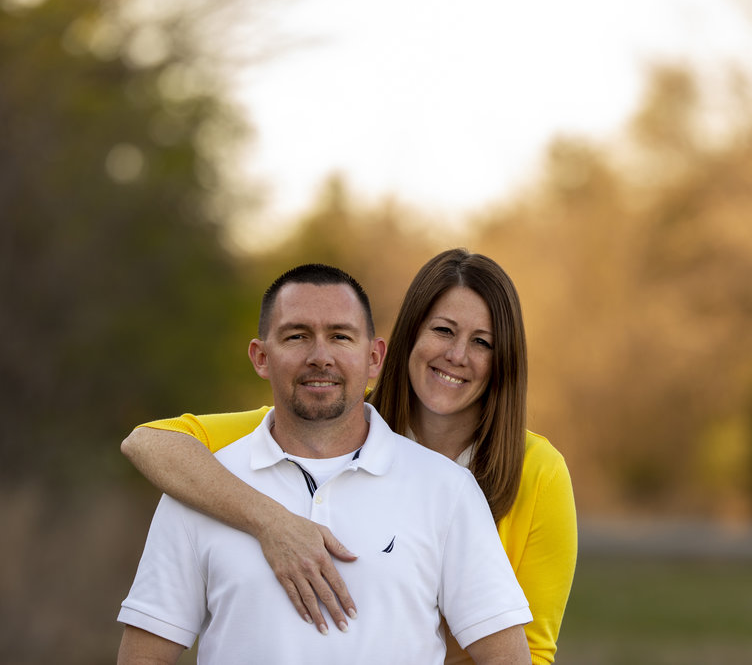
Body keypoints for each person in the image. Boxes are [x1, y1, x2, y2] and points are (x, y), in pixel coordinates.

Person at [121, 249, 578, 664]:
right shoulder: (218, 472)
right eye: (443, 330)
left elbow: (523, 653)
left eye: (483, 342)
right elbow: (150, 442)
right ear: (262, 358)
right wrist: (274, 524)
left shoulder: (482, 484)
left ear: (372, 356)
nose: (457, 355)